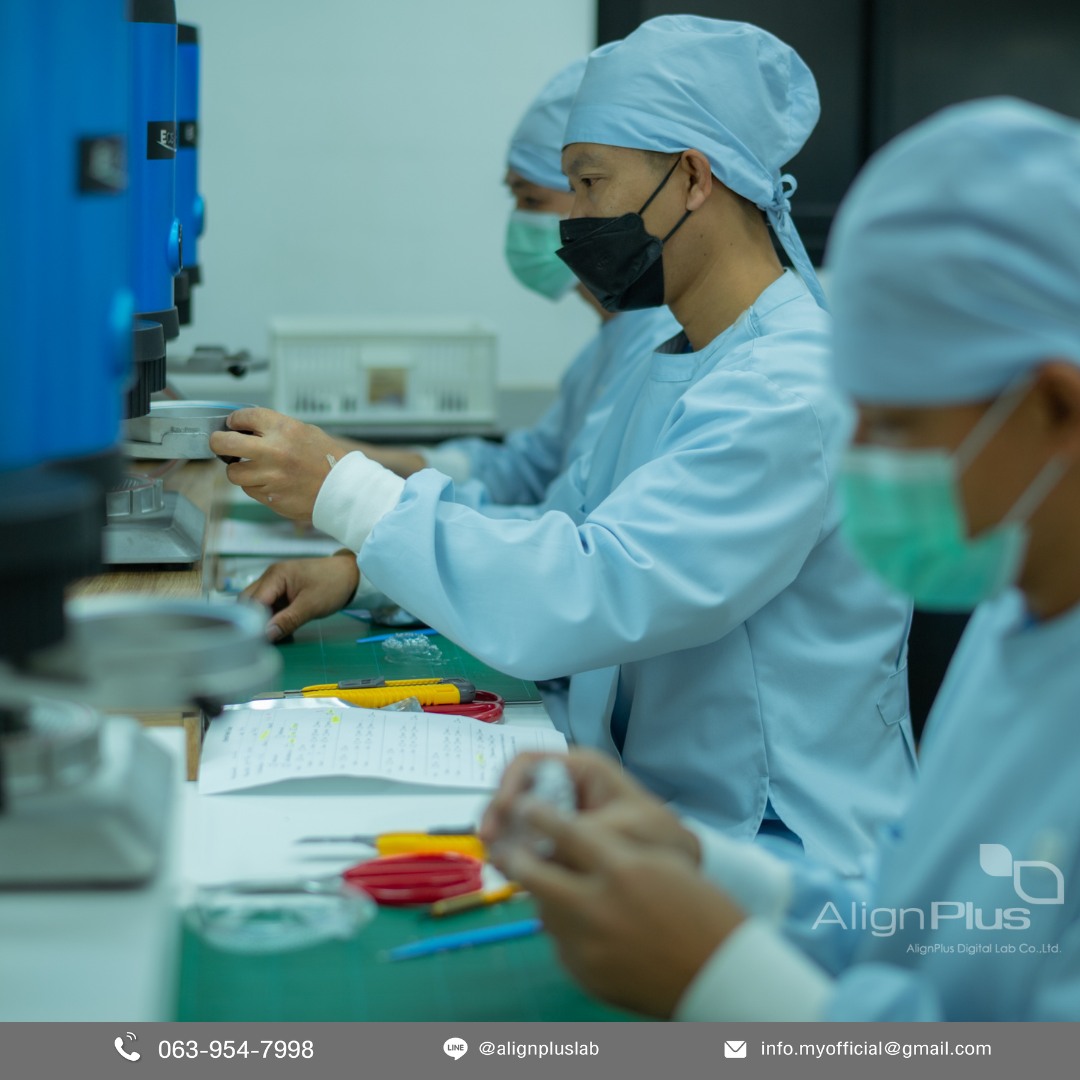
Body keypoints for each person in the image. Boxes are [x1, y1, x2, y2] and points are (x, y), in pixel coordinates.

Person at [209, 16, 915, 875]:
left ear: (693, 178)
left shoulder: (788, 385)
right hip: (659, 804)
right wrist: (365, 572)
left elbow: (599, 585)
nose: (572, 219)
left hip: (775, 844)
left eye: (587, 182)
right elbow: (560, 527)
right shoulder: (679, 358)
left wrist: (345, 491)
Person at [481, 97, 1080, 1021]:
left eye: (896, 424)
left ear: (1054, 406)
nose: (858, 453)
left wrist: (723, 979)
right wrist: (701, 866)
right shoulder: (1021, 620)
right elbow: (920, 923)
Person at [337, 58, 679, 516]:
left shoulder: (660, 342)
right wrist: (362, 463)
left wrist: (367, 503)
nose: (523, 220)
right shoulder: (608, 346)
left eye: (533, 199)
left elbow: (574, 524)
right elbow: (529, 470)